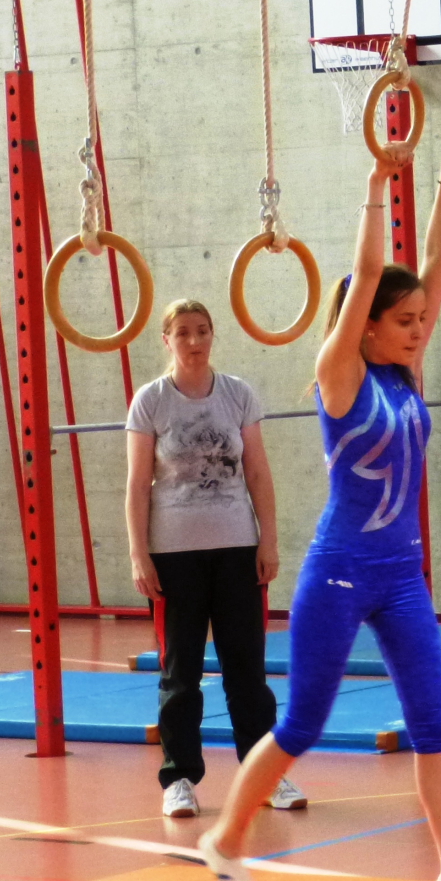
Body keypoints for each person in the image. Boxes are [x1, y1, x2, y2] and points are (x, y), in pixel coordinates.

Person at [195, 134, 441, 881]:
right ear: (365, 327)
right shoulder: (341, 378)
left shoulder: (404, 373)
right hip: (339, 571)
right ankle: (225, 837)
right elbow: (366, 272)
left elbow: (439, 259)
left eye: (422, 319)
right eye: (404, 320)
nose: (419, 328)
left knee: (434, 725)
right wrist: (374, 184)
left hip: (401, 576)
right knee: (302, 722)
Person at [125, 300, 303, 820]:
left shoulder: (237, 394)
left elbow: (258, 472)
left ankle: (264, 775)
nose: (194, 341)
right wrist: (139, 554)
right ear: (167, 340)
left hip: (236, 550)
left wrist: (268, 541)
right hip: (172, 555)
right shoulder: (151, 401)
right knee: (180, 673)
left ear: (212, 336)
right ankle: (179, 778)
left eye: (202, 331)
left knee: (246, 671)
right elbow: (137, 485)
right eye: (183, 332)